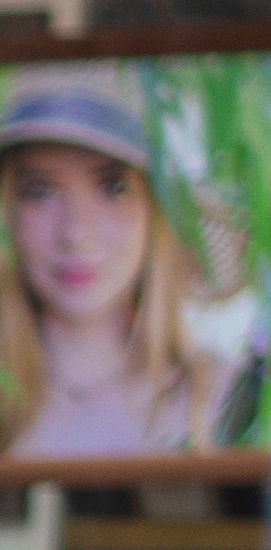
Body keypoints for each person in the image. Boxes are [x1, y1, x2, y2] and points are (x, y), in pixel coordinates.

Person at [0, 68, 246, 462]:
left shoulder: (230, 397)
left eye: (112, 187)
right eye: (40, 191)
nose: (76, 233)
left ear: (156, 212)